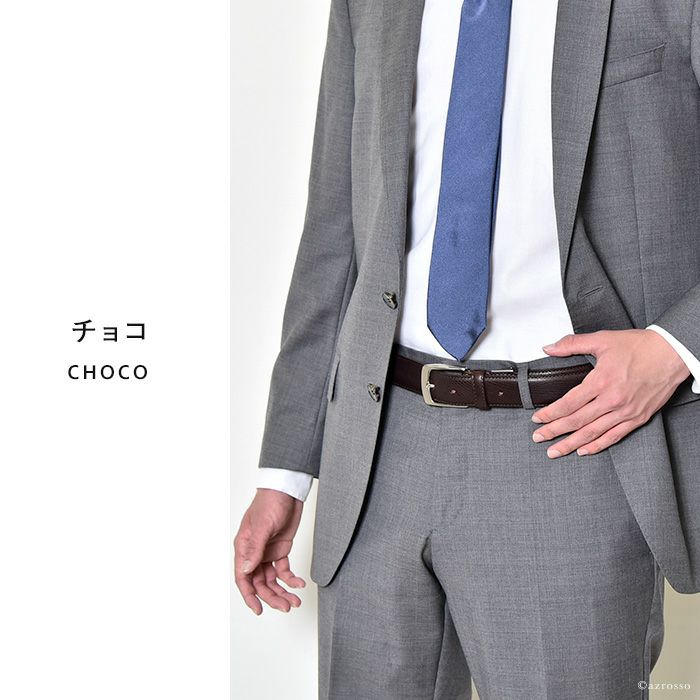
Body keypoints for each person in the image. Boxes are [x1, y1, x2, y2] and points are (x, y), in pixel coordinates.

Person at [234, 1, 700, 697]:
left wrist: (676, 348)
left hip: (573, 441)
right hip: (378, 451)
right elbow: (335, 232)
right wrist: (286, 471)